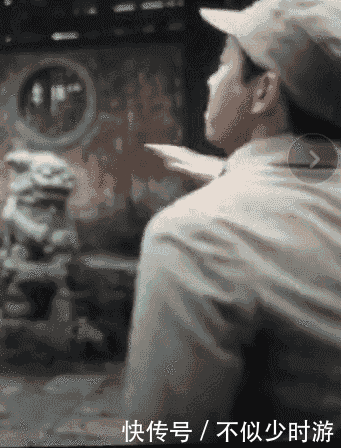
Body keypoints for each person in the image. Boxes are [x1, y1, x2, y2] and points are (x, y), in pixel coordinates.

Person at [122, 0, 341, 444]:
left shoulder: (198, 236)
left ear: (263, 92)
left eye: (223, 63)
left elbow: (166, 433)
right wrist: (229, 173)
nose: (210, 79)